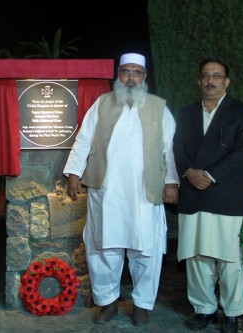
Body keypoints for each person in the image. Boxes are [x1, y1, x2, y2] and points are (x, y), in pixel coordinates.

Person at [63, 52, 180, 326]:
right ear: (118, 74)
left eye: (136, 72)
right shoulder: (102, 104)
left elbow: (170, 148)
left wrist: (172, 181)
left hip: (145, 193)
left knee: (146, 249)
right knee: (104, 248)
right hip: (107, 193)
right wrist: (73, 173)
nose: (130, 78)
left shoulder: (158, 107)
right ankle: (107, 303)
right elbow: (83, 139)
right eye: (126, 72)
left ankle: (142, 304)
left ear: (144, 77)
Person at [173, 58, 243, 333]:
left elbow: (241, 152)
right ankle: (204, 309)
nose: (211, 80)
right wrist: (188, 171)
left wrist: (208, 175)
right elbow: (177, 147)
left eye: (217, 76)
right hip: (192, 193)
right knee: (196, 256)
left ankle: (231, 313)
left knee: (228, 257)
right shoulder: (185, 114)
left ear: (226, 81)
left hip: (225, 193)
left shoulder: (241, 112)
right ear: (199, 81)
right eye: (206, 76)